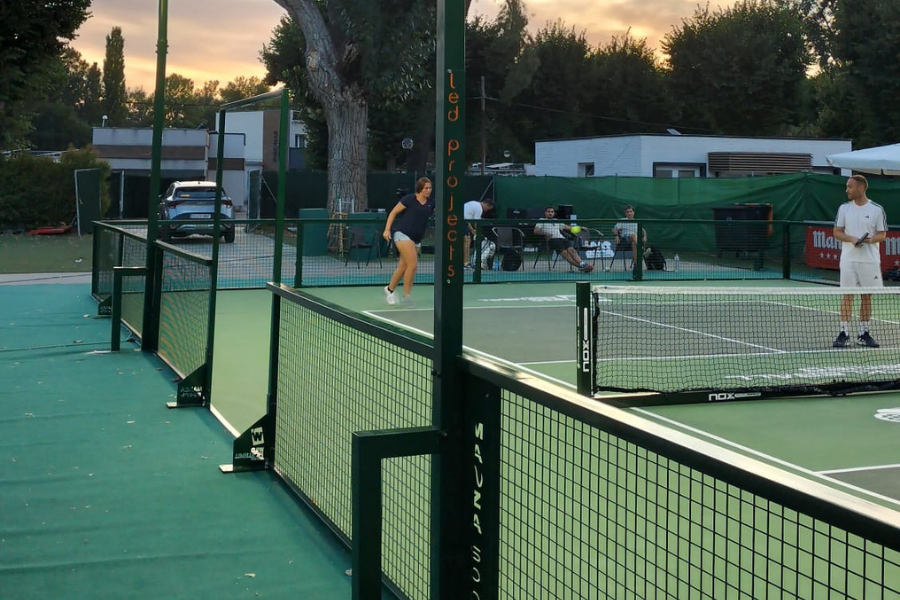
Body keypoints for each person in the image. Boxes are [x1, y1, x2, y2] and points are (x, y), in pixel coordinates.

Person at [832, 174, 887, 348]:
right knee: (847, 296)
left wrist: (870, 240)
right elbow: (837, 231)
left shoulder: (877, 210)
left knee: (866, 297)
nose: (846, 190)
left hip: (870, 261)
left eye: (849, 186)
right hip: (848, 260)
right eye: (847, 186)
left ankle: (863, 332)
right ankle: (844, 333)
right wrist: (851, 239)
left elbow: (882, 234)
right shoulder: (844, 209)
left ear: (860, 188)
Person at [383, 177, 435, 305]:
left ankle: (389, 290)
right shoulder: (409, 199)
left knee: (403, 267)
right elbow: (393, 212)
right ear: (420, 188)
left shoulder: (431, 203)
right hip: (402, 234)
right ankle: (407, 296)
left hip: (416, 239)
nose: (428, 190)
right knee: (413, 265)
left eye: (430, 188)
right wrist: (387, 230)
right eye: (426, 188)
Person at [533, 206, 594, 273]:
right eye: (548, 211)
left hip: (562, 239)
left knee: (572, 250)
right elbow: (536, 231)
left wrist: (580, 228)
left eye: (552, 212)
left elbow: (570, 228)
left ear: (554, 213)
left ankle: (582, 264)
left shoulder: (556, 221)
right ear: (545, 213)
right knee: (565, 253)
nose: (550, 213)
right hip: (551, 240)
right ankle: (581, 267)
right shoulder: (541, 220)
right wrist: (545, 233)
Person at [610, 205, 647, 269]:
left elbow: (643, 230)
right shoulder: (622, 220)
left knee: (634, 244)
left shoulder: (637, 222)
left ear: (633, 212)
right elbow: (615, 229)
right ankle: (641, 249)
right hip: (624, 241)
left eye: (631, 211)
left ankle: (636, 265)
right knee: (633, 236)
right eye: (627, 212)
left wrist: (645, 237)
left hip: (634, 241)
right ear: (625, 213)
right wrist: (616, 236)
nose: (629, 213)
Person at [463, 197, 495, 270]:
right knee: (467, 240)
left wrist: (472, 230)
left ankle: (466, 262)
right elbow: (476, 222)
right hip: (461, 221)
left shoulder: (474, 203)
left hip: (462, 221)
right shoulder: (479, 208)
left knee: (467, 240)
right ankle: (465, 263)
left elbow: (467, 218)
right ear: (487, 205)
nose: (486, 211)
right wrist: (477, 232)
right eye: (488, 209)